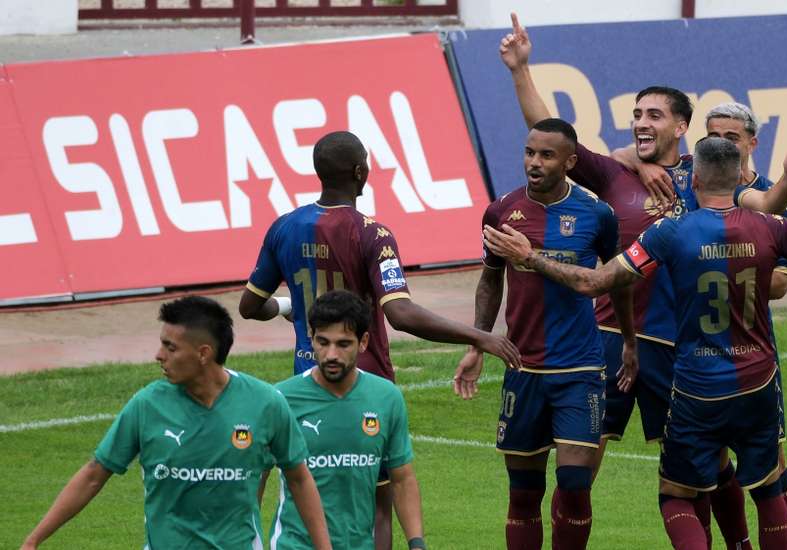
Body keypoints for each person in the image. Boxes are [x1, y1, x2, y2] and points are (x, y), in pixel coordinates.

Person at [482, 137, 787, 550]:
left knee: (678, 495)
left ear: (696, 181)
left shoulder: (669, 233)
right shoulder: (774, 227)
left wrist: (530, 257)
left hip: (695, 386)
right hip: (758, 382)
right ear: (740, 181)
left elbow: (594, 282)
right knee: (767, 487)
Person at [499, 13, 787, 548]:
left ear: (680, 126)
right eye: (636, 114)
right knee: (578, 473)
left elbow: (765, 206)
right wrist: (520, 70)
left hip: (681, 348)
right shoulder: (612, 173)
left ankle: (736, 543)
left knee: (709, 472)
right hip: (606, 341)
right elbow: (551, 134)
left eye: (653, 115)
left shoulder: (706, 176)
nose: (641, 123)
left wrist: (784, 179)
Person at [239, 130, 521, 550]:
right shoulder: (372, 233)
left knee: (304, 496)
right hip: (364, 382)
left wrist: (290, 307)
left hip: (306, 384)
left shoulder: (284, 227)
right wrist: (480, 336)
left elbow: (249, 305)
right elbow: (400, 313)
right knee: (375, 506)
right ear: (360, 173)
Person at [21, 296, 331, 550]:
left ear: (203, 354)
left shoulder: (265, 403)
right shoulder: (147, 405)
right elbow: (93, 475)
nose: (158, 355)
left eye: (170, 347)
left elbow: (299, 478)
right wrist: (34, 540)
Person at [454, 117, 634, 550]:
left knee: (574, 488)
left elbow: (617, 280)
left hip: (581, 369)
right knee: (524, 496)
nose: (534, 162)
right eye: (530, 152)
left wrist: (629, 340)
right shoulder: (501, 211)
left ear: (570, 161)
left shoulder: (598, 214)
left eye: (547, 155)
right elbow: (490, 279)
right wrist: (477, 343)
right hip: (524, 368)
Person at [705, 101, 787, 538]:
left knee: (769, 461)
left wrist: (712, 271)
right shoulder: (691, 185)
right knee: (705, 459)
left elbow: (779, 284)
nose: (721, 144)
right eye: (714, 136)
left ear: (751, 142)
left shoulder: (772, 198)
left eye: (732, 137)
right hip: (693, 347)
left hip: (752, 345)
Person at [264, 290, 426, 550]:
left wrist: (416, 543)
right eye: (323, 342)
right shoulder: (281, 399)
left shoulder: (386, 398)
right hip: (294, 545)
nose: (331, 354)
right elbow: (255, 478)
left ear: (363, 342)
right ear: (311, 339)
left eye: (343, 344)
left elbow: (402, 478)